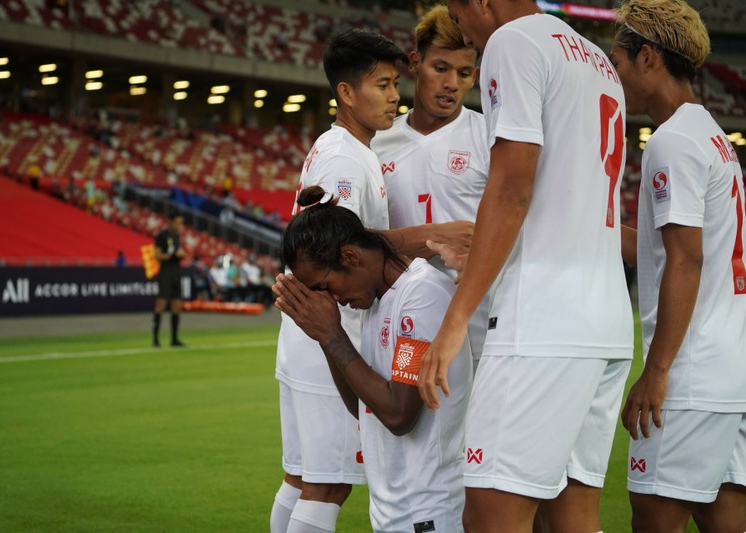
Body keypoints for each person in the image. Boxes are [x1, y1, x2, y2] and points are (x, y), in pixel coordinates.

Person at [419, 1, 634, 531]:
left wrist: (452, 324)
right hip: (605, 319)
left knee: (491, 515)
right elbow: (564, 198)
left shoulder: (513, 43)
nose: (465, 32)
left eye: (460, 12)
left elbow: (513, 185)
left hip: (541, 321)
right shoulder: (596, 59)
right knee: (574, 515)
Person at [271, 28, 472, 533]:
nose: (393, 97)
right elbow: (339, 244)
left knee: (303, 480)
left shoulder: (346, 147)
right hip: (328, 328)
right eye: (382, 85)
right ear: (346, 92)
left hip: (313, 331)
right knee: (327, 484)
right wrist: (433, 234)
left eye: (393, 84)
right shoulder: (345, 158)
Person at [610, 2, 746, 532]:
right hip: (734, 366)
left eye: (619, 61)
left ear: (647, 57)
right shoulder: (710, 135)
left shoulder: (671, 141)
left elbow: (686, 260)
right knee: (725, 519)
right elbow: (664, 249)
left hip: (692, 375)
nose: (616, 74)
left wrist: (657, 370)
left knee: (653, 516)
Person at [274, 186, 472, 532]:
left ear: (350, 257)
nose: (331, 299)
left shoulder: (421, 298)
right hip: (393, 510)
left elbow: (398, 414)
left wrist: (332, 335)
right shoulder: (377, 301)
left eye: (325, 285)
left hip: (428, 510)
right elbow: (365, 408)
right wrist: (323, 338)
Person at [372, 4, 489, 370]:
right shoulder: (376, 143)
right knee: (403, 420)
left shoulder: (491, 137)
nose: (451, 83)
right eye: (440, 68)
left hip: (476, 329)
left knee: (473, 426)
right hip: (401, 321)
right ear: (414, 63)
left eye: (464, 73)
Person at [152, 213, 187, 348]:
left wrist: (181, 254)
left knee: (177, 306)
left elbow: (180, 252)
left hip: (176, 271)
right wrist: (173, 255)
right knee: (161, 304)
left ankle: (174, 339)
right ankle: (155, 339)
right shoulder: (162, 236)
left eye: (181, 223)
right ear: (171, 222)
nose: (180, 226)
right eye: (177, 223)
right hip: (166, 272)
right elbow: (157, 255)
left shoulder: (177, 237)